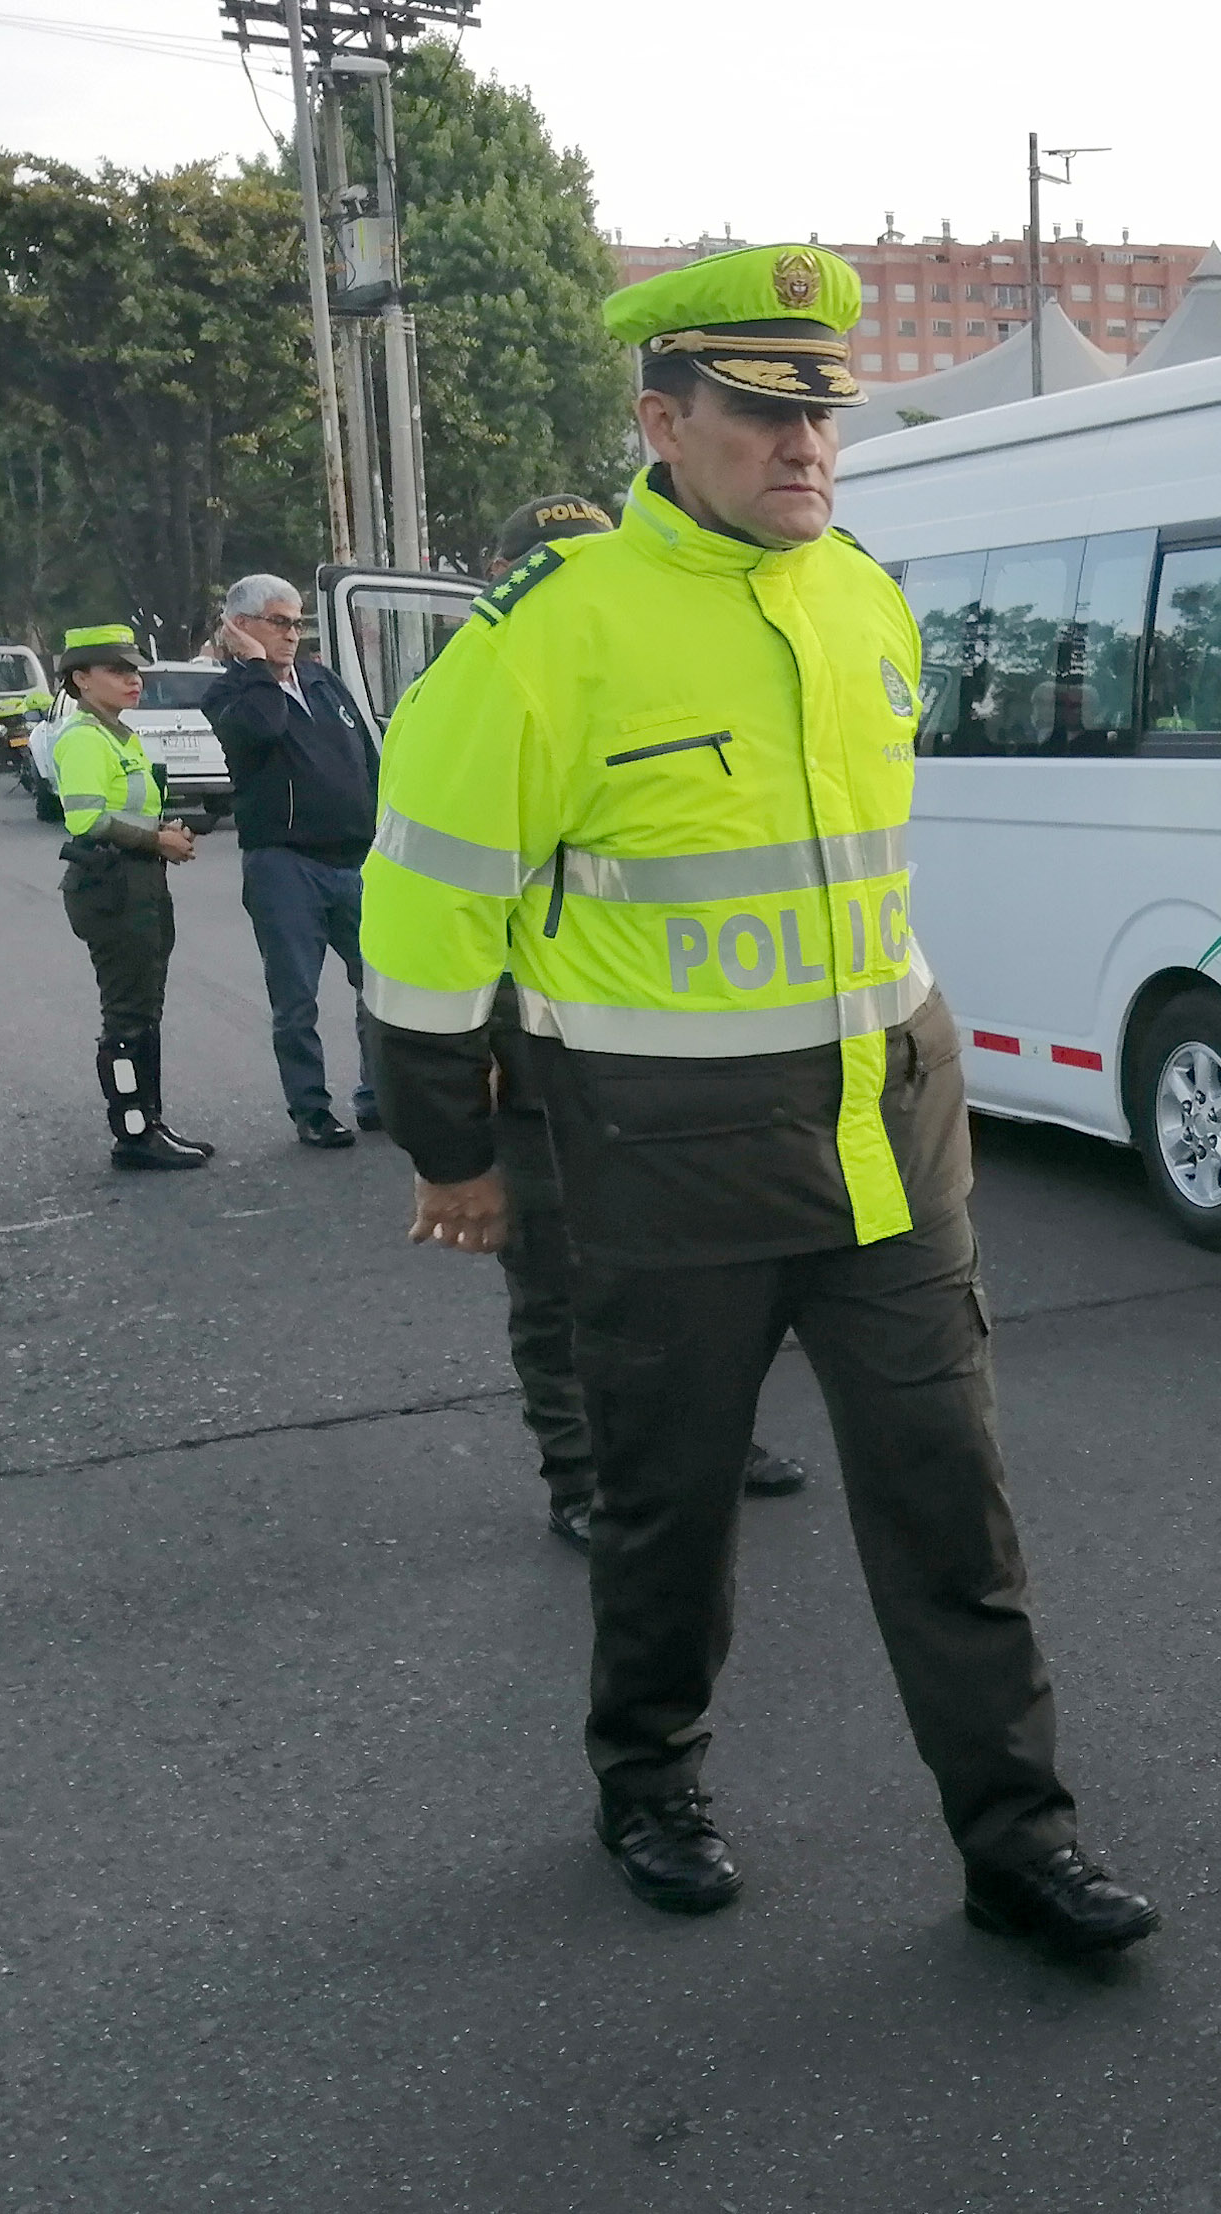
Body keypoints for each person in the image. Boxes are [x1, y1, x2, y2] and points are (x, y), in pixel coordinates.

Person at [359, 243, 1156, 1953]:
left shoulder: (860, 596)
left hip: (888, 1129)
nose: (804, 450)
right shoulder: (541, 643)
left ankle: (1019, 1841)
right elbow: (424, 917)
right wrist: (453, 1149)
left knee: (953, 1502)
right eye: (758, 418)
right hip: (663, 1160)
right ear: (662, 420)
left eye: (822, 419)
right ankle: (648, 1778)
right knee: (669, 1504)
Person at [470, 487, 811, 1551]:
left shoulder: (663, 690)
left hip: (669, 1060)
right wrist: (462, 1059)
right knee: (560, 1285)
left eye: (597, 561)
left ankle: (713, 1440)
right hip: (537, 1060)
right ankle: (580, 1476)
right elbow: (435, 908)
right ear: (515, 585)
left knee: (708, 1275)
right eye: (559, 566)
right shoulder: (483, 708)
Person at [202, 574, 384, 1149]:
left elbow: (364, 758)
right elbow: (261, 729)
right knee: (296, 997)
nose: (291, 634)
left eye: (297, 622)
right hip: (284, 864)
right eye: (279, 622)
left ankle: (379, 1096)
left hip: (354, 860)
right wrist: (257, 668)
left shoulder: (323, 680)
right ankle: (311, 1109)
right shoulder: (232, 693)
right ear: (242, 627)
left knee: (380, 984)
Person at [49, 623, 210, 1172]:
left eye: (134, 670)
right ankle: (133, 1132)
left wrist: (167, 828)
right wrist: (154, 840)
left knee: (146, 1008)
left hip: (141, 881)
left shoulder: (121, 735)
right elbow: (87, 817)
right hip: (111, 887)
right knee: (126, 1016)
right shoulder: (82, 738)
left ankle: (152, 1120)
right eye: (119, 671)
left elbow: (132, 808)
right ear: (81, 679)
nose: (133, 680)